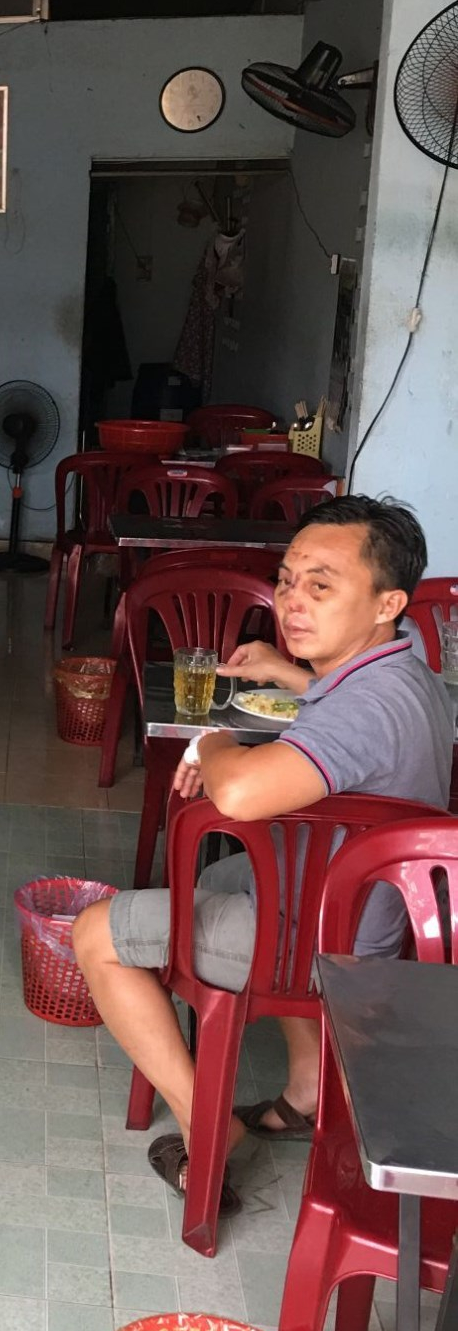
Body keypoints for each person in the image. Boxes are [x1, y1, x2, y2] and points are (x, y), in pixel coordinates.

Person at [73, 495, 453, 1213]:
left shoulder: (366, 708)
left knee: (96, 934)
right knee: (226, 873)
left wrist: (211, 742)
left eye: (321, 585)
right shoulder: (405, 669)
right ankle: (306, 1089)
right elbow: (345, 714)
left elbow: (242, 794)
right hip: (368, 910)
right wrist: (286, 672)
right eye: (286, 580)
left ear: (386, 602)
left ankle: (209, 1127)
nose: (292, 601)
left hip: (331, 942)